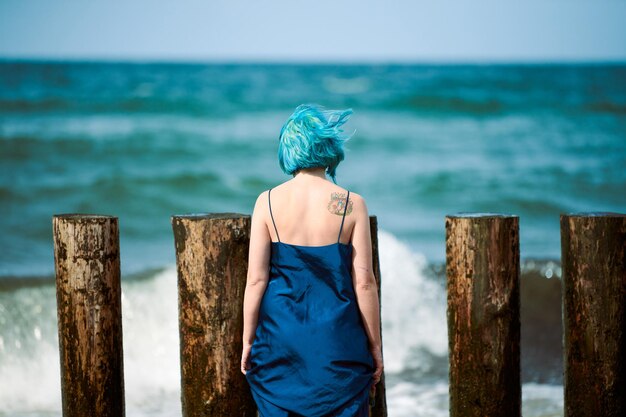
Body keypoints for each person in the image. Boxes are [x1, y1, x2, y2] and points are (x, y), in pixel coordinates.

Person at [241, 104, 384, 416]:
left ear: (288, 148)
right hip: (338, 344)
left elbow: (256, 280)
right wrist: (374, 347)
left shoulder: (266, 201)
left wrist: (248, 341)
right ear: (329, 147)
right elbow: (364, 283)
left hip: (280, 342)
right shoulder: (351, 203)